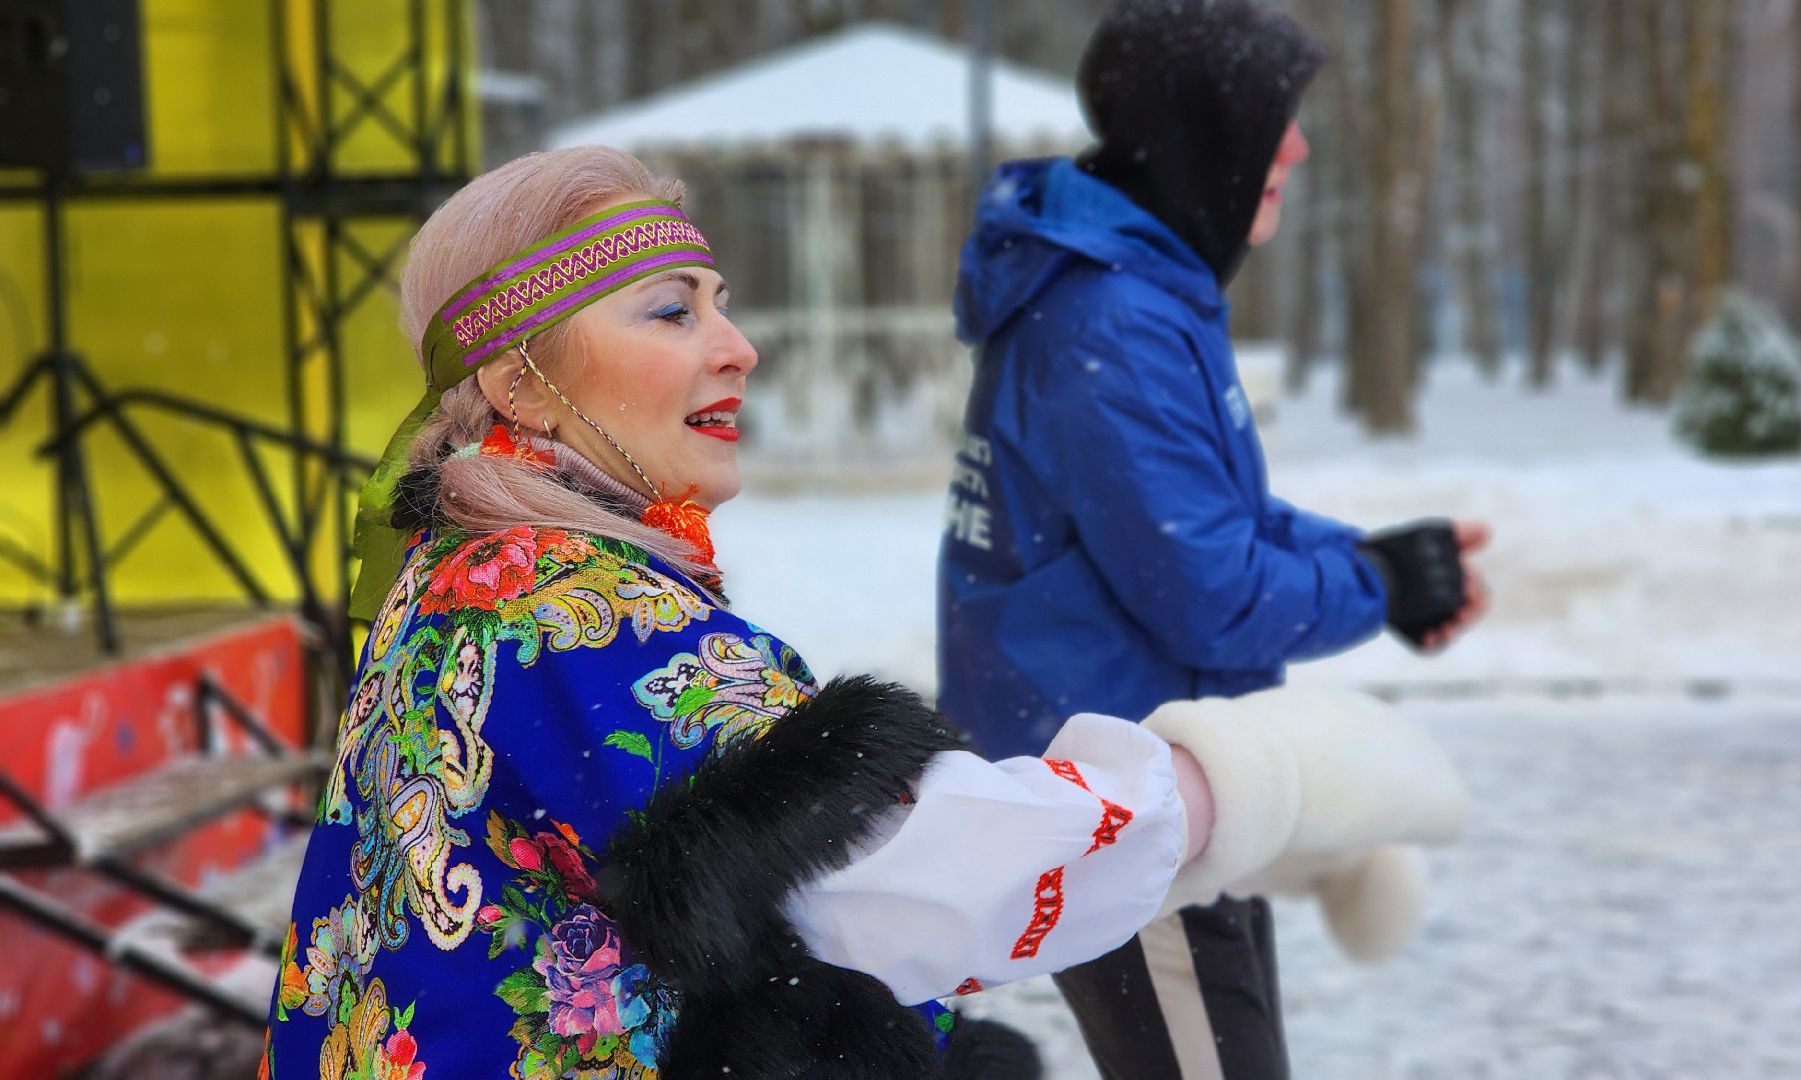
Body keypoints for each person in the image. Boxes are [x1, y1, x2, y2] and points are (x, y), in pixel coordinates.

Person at [261, 146, 1460, 1080]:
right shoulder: (566, 611)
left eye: (719, 303)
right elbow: (910, 867)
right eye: (670, 313)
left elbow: (732, 907)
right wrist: (1253, 780)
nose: (739, 347)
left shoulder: (471, 566)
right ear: (523, 379)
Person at [937, 2, 1489, 1077]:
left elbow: (1210, 521)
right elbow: (1206, 589)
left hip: (1166, 781)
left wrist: (1384, 567)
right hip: (1120, 803)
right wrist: (1375, 585)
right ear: (1204, 138)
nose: (1298, 146)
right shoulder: (1112, 318)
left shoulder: (1138, 290)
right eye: (1271, 120)